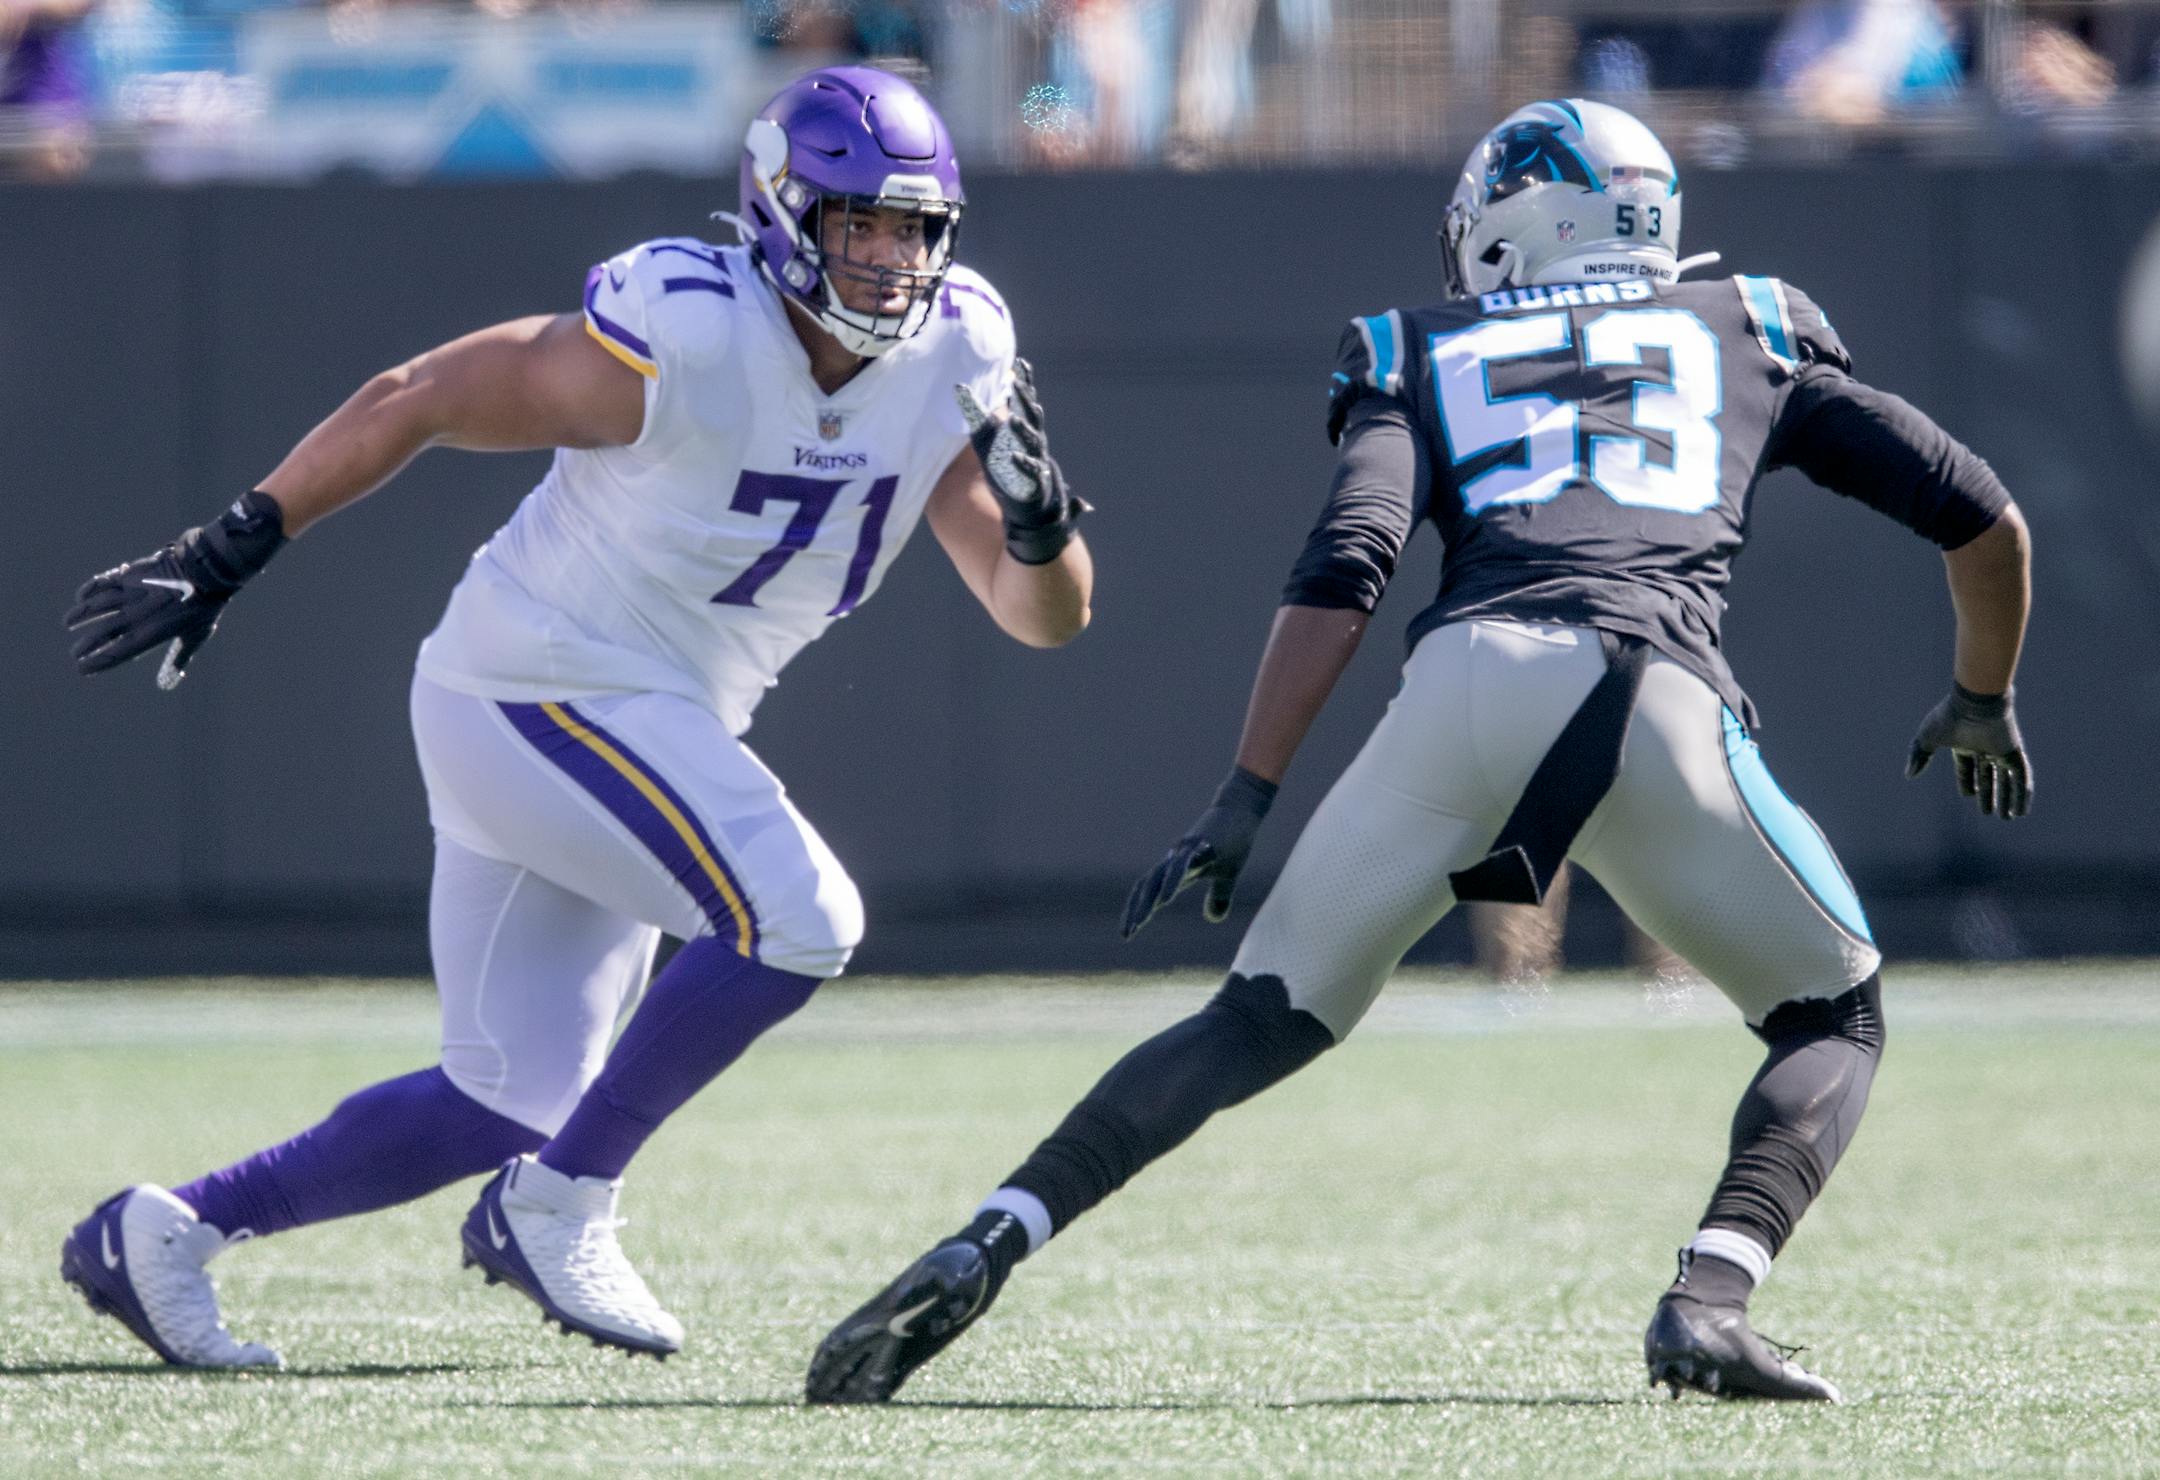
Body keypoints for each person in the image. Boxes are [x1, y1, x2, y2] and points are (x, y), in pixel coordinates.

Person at [807, 97, 2031, 1406]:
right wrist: (1980, 692)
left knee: (1249, 1021)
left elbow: (1350, 566)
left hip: (1467, 682)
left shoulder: (1423, 346)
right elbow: (1984, 516)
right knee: (1833, 1013)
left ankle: (993, 1231)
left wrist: (1247, 792)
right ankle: (1709, 1300)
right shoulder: (1746, 327)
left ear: (1513, 227)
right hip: (1652, 690)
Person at [59, 65, 1091, 1369]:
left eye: (912, 229)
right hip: (543, 683)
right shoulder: (690, 334)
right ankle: (563, 1198)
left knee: (504, 1094)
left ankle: (163, 1234)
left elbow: (1033, 611)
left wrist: (1049, 532)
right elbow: (422, 394)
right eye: (858, 224)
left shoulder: (957, 354)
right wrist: (232, 544)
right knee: (802, 919)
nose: (890, 261)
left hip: (624, 721)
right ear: (783, 215)